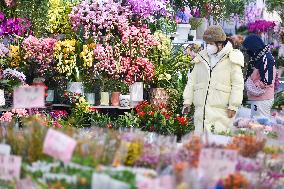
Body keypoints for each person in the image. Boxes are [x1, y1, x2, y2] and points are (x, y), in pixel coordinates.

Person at [183, 25, 244, 134]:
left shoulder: (232, 59)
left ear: (220, 44)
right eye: (207, 43)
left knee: (217, 141)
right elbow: (191, 81)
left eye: (211, 44)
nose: (208, 46)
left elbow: (237, 85)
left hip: (221, 111)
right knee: (200, 142)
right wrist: (187, 100)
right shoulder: (201, 58)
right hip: (201, 111)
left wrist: (233, 106)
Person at [243, 34, 276, 118]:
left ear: (253, 46)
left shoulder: (266, 58)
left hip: (262, 99)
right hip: (259, 98)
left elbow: (267, 81)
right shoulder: (260, 57)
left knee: (260, 125)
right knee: (257, 123)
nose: (247, 50)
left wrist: (252, 86)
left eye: (248, 47)